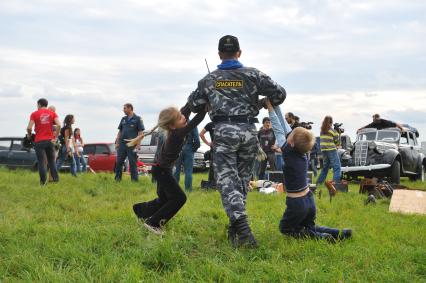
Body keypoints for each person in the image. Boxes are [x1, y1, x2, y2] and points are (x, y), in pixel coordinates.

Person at [187, 35, 286, 248]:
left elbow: (194, 104)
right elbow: (280, 94)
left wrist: (212, 97)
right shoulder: (253, 74)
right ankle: (235, 228)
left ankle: (244, 231)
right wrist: (259, 102)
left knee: (226, 183)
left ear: (220, 54)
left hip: (224, 133)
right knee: (241, 181)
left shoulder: (209, 79)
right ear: (239, 53)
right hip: (249, 132)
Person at [264, 99, 352, 241]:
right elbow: (285, 129)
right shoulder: (303, 152)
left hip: (297, 204)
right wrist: (276, 104)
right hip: (309, 200)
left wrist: (269, 106)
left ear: (291, 143)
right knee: (310, 226)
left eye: (290, 136)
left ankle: (323, 238)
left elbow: (278, 128)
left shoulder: (288, 151)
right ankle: (340, 233)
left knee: (285, 228)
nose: (289, 134)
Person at [132, 103, 206, 235]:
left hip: (160, 169)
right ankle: (153, 223)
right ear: (172, 125)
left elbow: (185, 111)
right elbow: (196, 120)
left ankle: (141, 210)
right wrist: (205, 107)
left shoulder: (176, 128)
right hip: (162, 171)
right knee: (179, 198)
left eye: (182, 116)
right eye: (180, 118)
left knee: (165, 199)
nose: (184, 118)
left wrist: (193, 101)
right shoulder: (178, 134)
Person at [26, 98, 61, 185]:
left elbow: (29, 128)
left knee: (42, 162)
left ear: (39, 104)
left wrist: (29, 135)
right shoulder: (53, 113)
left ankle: (42, 182)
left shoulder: (34, 114)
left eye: (37, 105)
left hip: (39, 141)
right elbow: (59, 125)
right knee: (52, 162)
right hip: (50, 141)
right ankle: (56, 180)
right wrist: (55, 137)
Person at [115, 103, 144, 182]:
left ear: (130, 108)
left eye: (125, 108)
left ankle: (134, 181)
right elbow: (120, 131)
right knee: (119, 162)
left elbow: (140, 132)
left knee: (132, 163)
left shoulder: (138, 119)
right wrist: (117, 142)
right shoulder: (123, 119)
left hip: (132, 144)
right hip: (122, 144)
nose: (123, 110)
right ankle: (117, 179)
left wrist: (138, 144)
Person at [316, 116, 341, 186]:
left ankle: (318, 184)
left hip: (324, 151)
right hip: (331, 150)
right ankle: (335, 185)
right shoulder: (333, 131)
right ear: (331, 123)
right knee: (337, 167)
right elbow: (337, 143)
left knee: (325, 168)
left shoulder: (322, 131)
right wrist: (338, 133)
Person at [174, 127, 201, 192]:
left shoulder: (176, 122)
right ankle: (188, 190)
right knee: (188, 171)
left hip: (177, 148)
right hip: (189, 148)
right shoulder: (192, 123)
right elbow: (197, 140)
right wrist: (193, 149)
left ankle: (174, 189)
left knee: (176, 170)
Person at [200, 122, 216, 187]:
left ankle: (212, 184)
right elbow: (201, 134)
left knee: (213, 168)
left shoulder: (211, 124)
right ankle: (211, 184)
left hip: (219, 150)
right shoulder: (210, 124)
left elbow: (201, 134)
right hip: (215, 150)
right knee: (212, 168)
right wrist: (208, 143)